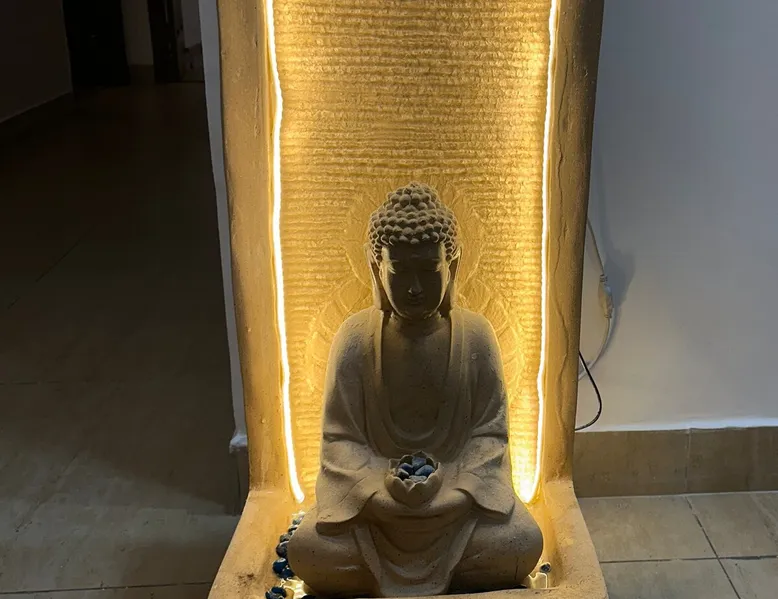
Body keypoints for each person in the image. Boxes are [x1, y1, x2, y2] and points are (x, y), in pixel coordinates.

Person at [287, 183, 543, 597]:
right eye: (400, 271)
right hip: (376, 513)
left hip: (456, 511)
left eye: (428, 270)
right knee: (309, 551)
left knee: (522, 542)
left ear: (452, 265)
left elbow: (489, 436)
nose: (414, 288)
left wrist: (456, 495)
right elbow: (340, 440)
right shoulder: (355, 338)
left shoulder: (476, 337)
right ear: (376, 267)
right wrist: (377, 495)